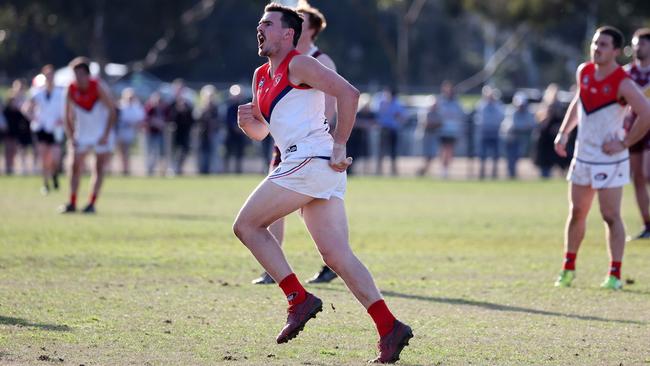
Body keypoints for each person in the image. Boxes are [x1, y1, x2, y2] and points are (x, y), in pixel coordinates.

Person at [234, 4, 412, 363]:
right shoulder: (259, 76)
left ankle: (298, 299)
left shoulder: (299, 63)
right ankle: (389, 326)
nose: (260, 28)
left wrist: (341, 143)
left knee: (247, 226)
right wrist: (246, 125)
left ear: (288, 34)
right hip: (309, 164)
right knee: (336, 255)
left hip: (311, 160)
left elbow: (349, 94)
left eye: (268, 23)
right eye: (260, 23)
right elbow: (262, 131)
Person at [553, 26, 650, 290]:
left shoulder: (623, 82)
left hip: (609, 159)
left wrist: (624, 143)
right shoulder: (584, 71)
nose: (597, 48)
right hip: (583, 156)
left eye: (604, 45)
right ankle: (568, 268)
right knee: (576, 213)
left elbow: (646, 113)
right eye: (596, 43)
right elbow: (579, 102)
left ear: (616, 51)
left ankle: (614, 274)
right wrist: (563, 132)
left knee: (610, 216)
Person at [253, 0, 339, 286]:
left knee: (313, 206)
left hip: (313, 147)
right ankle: (274, 265)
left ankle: (332, 263)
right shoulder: (279, 63)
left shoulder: (317, 60)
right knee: (279, 207)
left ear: (311, 29)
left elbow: (335, 98)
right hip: (288, 145)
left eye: (301, 20)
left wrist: (331, 138)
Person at [60, 57, 116, 214]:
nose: (77, 77)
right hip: (82, 134)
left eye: (80, 74)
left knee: (98, 167)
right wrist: (71, 137)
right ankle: (72, 202)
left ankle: (91, 203)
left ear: (87, 74)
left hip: (100, 133)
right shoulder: (70, 89)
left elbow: (112, 111)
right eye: (74, 74)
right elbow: (67, 116)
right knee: (74, 166)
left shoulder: (97, 87)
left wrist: (105, 134)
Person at [624, 28, 650, 240]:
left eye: (641, 44)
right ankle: (647, 225)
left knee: (648, 172)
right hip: (633, 128)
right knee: (638, 177)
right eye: (635, 44)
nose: (637, 48)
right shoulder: (626, 73)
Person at [24, 65, 65, 194]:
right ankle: (46, 184)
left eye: (51, 75)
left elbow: (67, 110)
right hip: (41, 128)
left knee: (55, 158)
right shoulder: (37, 92)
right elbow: (26, 108)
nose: (49, 78)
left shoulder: (61, 93)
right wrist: (33, 118)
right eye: (47, 75)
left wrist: (62, 120)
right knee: (44, 157)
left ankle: (54, 174)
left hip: (55, 128)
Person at [533, 84, 572, 178]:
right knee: (545, 170)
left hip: (555, 141)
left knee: (561, 166)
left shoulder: (560, 108)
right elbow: (540, 125)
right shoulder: (544, 108)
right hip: (545, 143)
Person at [500, 92, 536, 179]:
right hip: (510, 139)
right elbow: (514, 125)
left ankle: (513, 174)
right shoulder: (511, 111)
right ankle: (511, 175)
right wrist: (523, 127)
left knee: (517, 157)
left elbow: (531, 124)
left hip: (520, 139)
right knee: (511, 158)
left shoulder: (528, 112)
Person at [474, 85, 505, 180]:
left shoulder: (498, 105)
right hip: (484, 132)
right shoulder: (481, 105)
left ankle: (494, 174)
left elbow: (501, 117)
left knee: (495, 155)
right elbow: (480, 118)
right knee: (482, 154)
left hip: (495, 132)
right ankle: (481, 174)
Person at [436, 81, 465, 179]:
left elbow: (461, 115)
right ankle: (442, 169)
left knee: (449, 150)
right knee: (442, 150)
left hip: (452, 130)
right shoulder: (440, 101)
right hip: (442, 130)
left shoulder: (456, 102)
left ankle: (446, 169)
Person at [3, 80, 33, 175]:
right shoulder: (10, 99)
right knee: (9, 148)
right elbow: (6, 112)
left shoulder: (26, 99)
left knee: (19, 149)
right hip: (10, 127)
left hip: (22, 128)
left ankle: (20, 168)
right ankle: (8, 168)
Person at [115, 88, 145, 176]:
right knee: (122, 152)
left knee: (127, 152)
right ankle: (124, 169)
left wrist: (134, 124)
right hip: (120, 133)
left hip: (131, 134)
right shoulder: (120, 106)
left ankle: (126, 169)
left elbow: (140, 119)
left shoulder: (136, 107)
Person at [375, 87, 404, 176]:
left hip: (392, 129)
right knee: (381, 151)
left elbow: (401, 115)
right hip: (383, 128)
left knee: (393, 151)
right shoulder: (381, 102)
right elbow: (377, 113)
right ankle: (379, 170)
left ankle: (393, 170)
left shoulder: (396, 103)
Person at [196, 85, 223, 175]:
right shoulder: (201, 108)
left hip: (214, 134)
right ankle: (203, 171)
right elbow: (198, 120)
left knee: (214, 153)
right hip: (203, 135)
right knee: (203, 154)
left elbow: (219, 121)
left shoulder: (217, 108)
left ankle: (214, 171)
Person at [416, 95, 441, 176]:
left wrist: (433, 124)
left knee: (431, 155)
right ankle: (422, 170)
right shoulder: (425, 112)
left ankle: (424, 170)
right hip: (425, 135)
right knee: (425, 155)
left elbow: (439, 123)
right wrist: (433, 124)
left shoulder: (437, 113)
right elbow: (426, 124)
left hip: (433, 135)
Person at [143, 92, 168, 176]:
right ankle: (150, 169)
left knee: (161, 152)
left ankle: (162, 170)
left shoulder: (163, 109)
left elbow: (167, 119)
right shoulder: (149, 108)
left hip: (160, 133)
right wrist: (155, 122)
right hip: (150, 133)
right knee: (150, 152)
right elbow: (146, 119)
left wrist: (161, 123)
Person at [169, 96, 194, 176]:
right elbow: (172, 121)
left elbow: (192, 122)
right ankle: (174, 168)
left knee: (184, 152)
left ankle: (179, 168)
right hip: (176, 136)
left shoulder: (188, 112)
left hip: (185, 136)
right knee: (175, 153)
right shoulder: (175, 111)